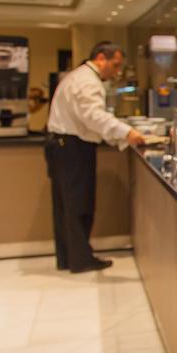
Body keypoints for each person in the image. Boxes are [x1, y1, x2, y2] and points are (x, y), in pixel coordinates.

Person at [45, 41, 145, 273]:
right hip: (72, 148)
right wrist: (127, 133)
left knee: (66, 206)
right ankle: (81, 260)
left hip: (62, 146)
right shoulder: (88, 81)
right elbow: (93, 117)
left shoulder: (79, 76)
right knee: (78, 204)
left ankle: (69, 258)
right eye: (115, 65)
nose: (117, 72)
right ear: (101, 58)